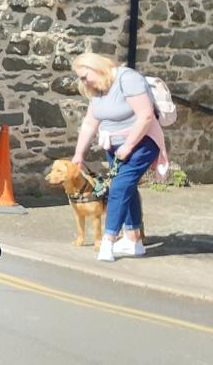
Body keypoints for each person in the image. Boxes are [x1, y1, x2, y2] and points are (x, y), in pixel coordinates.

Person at [70, 53, 168, 262]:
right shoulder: (97, 89)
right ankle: (134, 241)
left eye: (84, 76)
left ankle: (109, 241)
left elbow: (146, 116)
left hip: (141, 142)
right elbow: (90, 123)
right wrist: (79, 154)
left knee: (119, 187)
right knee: (127, 187)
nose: (83, 82)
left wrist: (129, 145)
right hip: (114, 145)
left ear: (96, 67)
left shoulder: (128, 79)